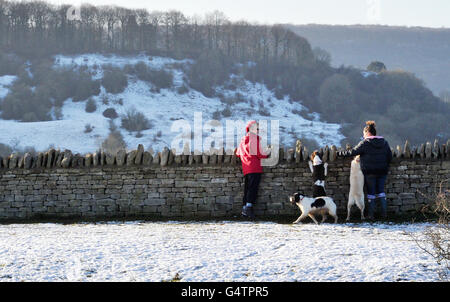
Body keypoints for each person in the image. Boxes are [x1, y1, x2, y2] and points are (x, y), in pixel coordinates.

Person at [337, 121, 392, 220]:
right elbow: (390, 156)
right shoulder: (385, 142)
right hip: (382, 171)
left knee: (371, 193)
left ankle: (371, 215)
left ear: (367, 133)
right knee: (381, 192)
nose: (363, 136)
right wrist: (385, 166)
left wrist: (339, 154)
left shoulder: (365, 143)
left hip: (369, 172)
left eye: (364, 133)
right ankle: (384, 214)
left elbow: (352, 152)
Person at [235, 121, 270, 219]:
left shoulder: (243, 140)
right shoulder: (254, 139)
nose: (258, 130)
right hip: (255, 167)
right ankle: (248, 209)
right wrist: (267, 153)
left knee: (247, 188)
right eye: (257, 128)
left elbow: (238, 153)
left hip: (246, 168)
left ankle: (244, 209)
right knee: (253, 188)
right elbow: (259, 153)